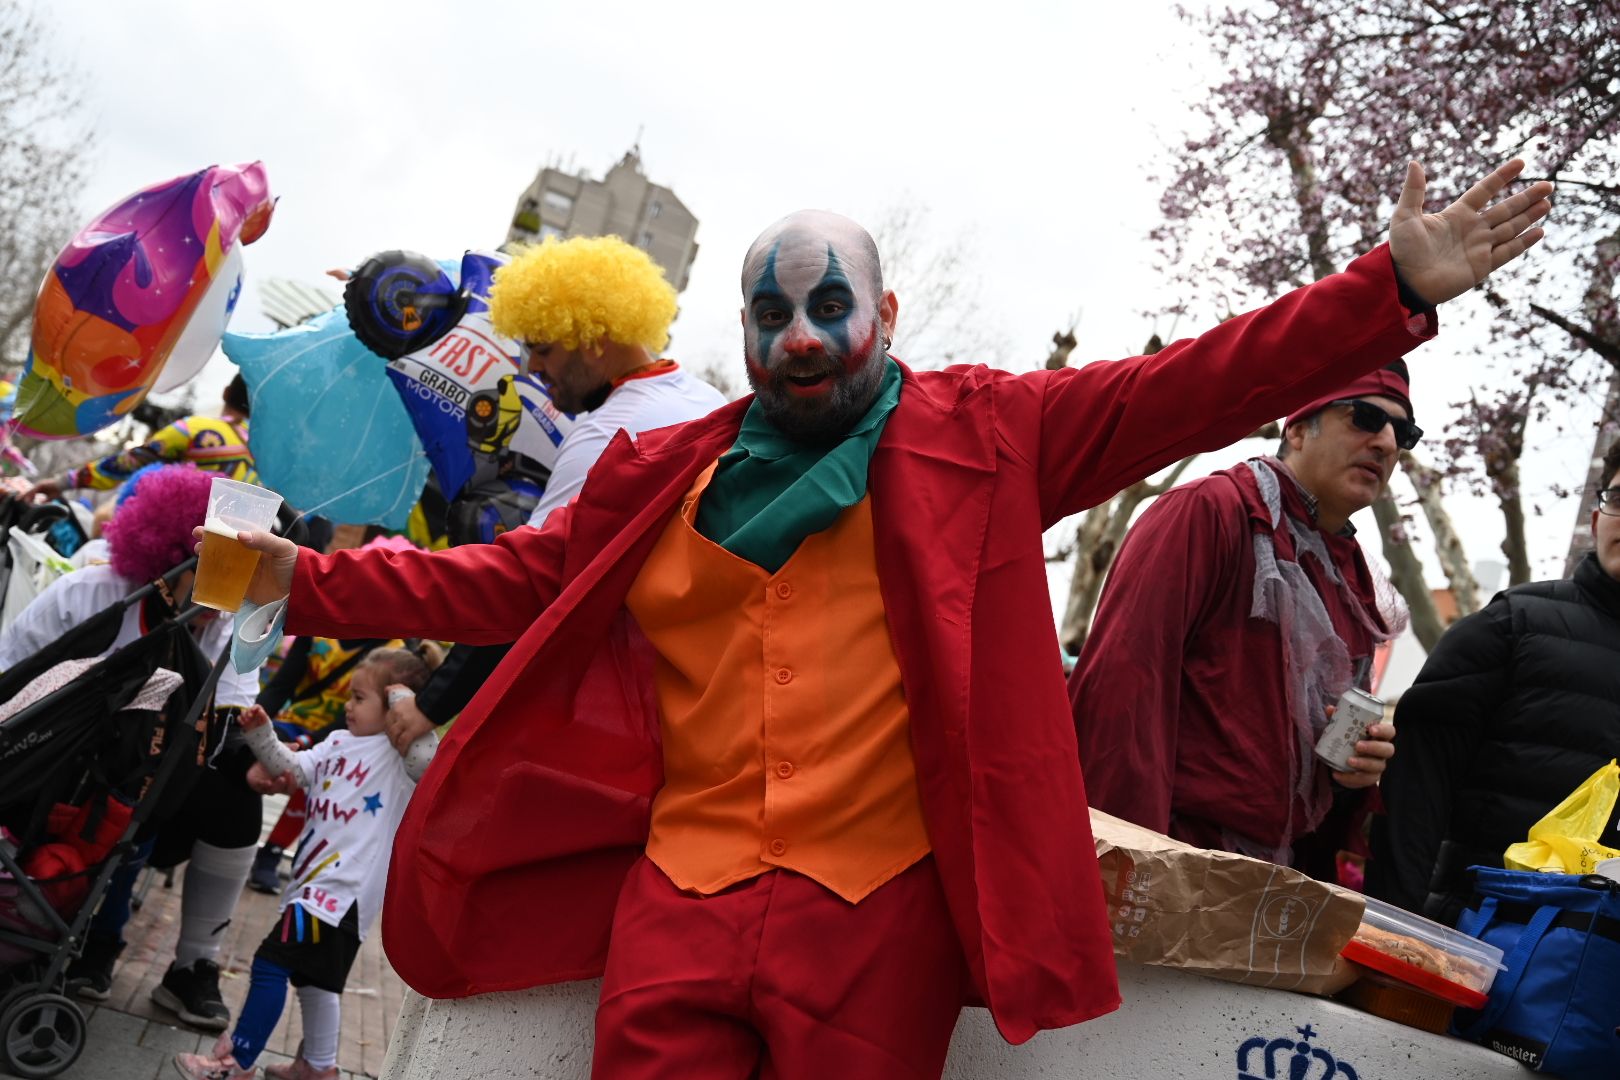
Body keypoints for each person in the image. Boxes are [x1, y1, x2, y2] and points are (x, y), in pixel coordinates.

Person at [221, 161, 1549, 1077]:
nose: (801, 335)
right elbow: (514, 579)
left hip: (872, 924)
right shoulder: (665, 470)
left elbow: (1190, 386)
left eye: (829, 304)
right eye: (772, 311)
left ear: (887, 314)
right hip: (678, 896)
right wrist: (307, 582)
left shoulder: (983, 433)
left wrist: (1388, 292)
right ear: (743, 330)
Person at [378, 234, 726, 753]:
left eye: (542, 349)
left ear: (592, 337)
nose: (530, 370)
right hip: (697, 695)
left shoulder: (607, 433)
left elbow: (521, 590)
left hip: (612, 717)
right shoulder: (706, 399)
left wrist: (430, 706)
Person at [1068, 362, 1415, 875]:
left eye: (1403, 431)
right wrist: (1121, 870)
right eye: (1364, 417)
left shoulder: (1353, 577)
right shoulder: (1208, 512)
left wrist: (1352, 773)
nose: (1387, 442)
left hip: (1269, 885)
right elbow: (1122, 695)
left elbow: (1309, 766)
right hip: (1164, 866)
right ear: (1296, 429)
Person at [0, 465, 263, 1030]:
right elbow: (11, 675)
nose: (228, 587)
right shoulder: (93, 592)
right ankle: (93, 941)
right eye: (212, 562)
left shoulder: (231, 627)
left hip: (157, 784)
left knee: (240, 786)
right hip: (54, 767)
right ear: (175, 551)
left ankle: (194, 965)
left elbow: (234, 717)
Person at [1367, 438, 1620, 923]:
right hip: (1478, 949)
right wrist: (1394, 937)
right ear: (1596, 520)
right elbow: (1413, 797)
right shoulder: (1510, 626)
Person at [173, 648, 439, 1080]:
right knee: (317, 983)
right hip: (316, 891)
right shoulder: (337, 743)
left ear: (393, 706)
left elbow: (429, 759)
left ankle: (234, 1063)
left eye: (358, 698)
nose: (346, 706)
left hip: (338, 895)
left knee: (269, 964)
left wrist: (405, 699)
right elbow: (291, 767)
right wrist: (261, 735)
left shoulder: (398, 759)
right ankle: (317, 1068)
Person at [24, 374, 255, 503]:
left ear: (225, 392)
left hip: (170, 551)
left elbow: (127, 463)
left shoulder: (194, 429)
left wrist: (64, 483)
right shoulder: (264, 454)